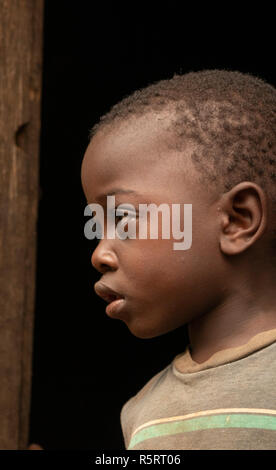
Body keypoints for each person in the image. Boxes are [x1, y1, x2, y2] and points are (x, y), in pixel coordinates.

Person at [80, 69, 276, 450]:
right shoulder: (142, 412)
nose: (99, 254)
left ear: (237, 219)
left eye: (123, 219)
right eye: (96, 225)